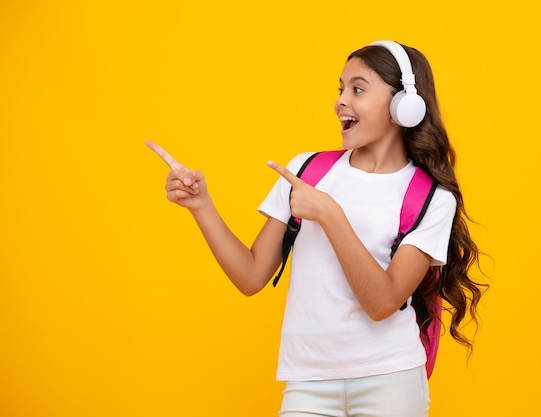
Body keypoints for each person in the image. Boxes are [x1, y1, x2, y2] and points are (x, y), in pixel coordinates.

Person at [147, 40, 487, 417]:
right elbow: (250, 277)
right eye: (340, 89)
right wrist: (201, 206)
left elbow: (383, 303)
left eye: (357, 89)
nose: (341, 100)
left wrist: (330, 215)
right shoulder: (306, 171)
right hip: (307, 381)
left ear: (402, 106)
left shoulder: (430, 197)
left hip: (390, 382)